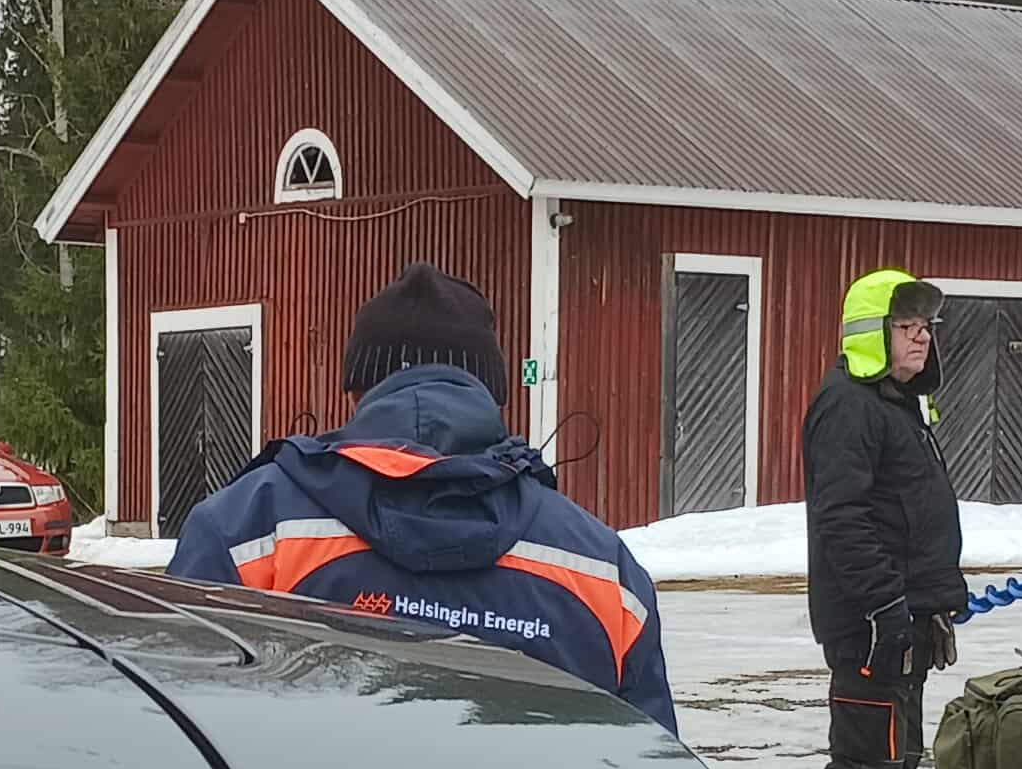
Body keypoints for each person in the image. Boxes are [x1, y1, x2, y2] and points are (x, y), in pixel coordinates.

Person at [166, 262, 677, 733]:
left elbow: (176, 738)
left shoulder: (245, 531)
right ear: (493, 396)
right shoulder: (603, 572)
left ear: (357, 394)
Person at [804, 269, 967, 769]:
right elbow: (840, 517)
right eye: (906, 327)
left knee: (895, 750)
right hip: (868, 620)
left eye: (925, 328)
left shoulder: (898, 403)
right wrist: (882, 603)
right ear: (872, 333)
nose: (921, 339)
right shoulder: (848, 405)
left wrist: (932, 598)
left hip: (905, 613)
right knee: (864, 753)